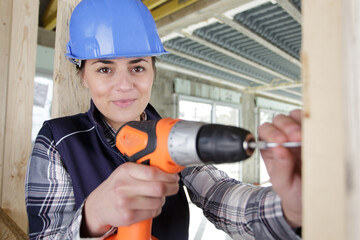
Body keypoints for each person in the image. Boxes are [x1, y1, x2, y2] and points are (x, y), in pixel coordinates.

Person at [25, 0, 302, 239]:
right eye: (105, 69)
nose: (124, 85)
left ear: (153, 71)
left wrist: (290, 210)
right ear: (83, 76)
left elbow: (221, 194)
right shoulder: (57, 140)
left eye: (137, 67)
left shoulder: (170, 138)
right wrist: (92, 216)